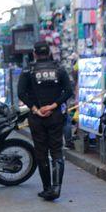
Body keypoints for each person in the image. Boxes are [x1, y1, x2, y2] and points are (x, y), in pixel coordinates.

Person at [18, 41, 74, 201]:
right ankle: (56, 187)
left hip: (37, 117)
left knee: (41, 153)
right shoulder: (59, 69)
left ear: (34, 54)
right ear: (49, 53)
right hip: (55, 115)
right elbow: (68, 90)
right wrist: (54, 105)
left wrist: (36, 109)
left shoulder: (28, 70)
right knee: (57, 151)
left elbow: (21, 93)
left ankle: (47, 188)